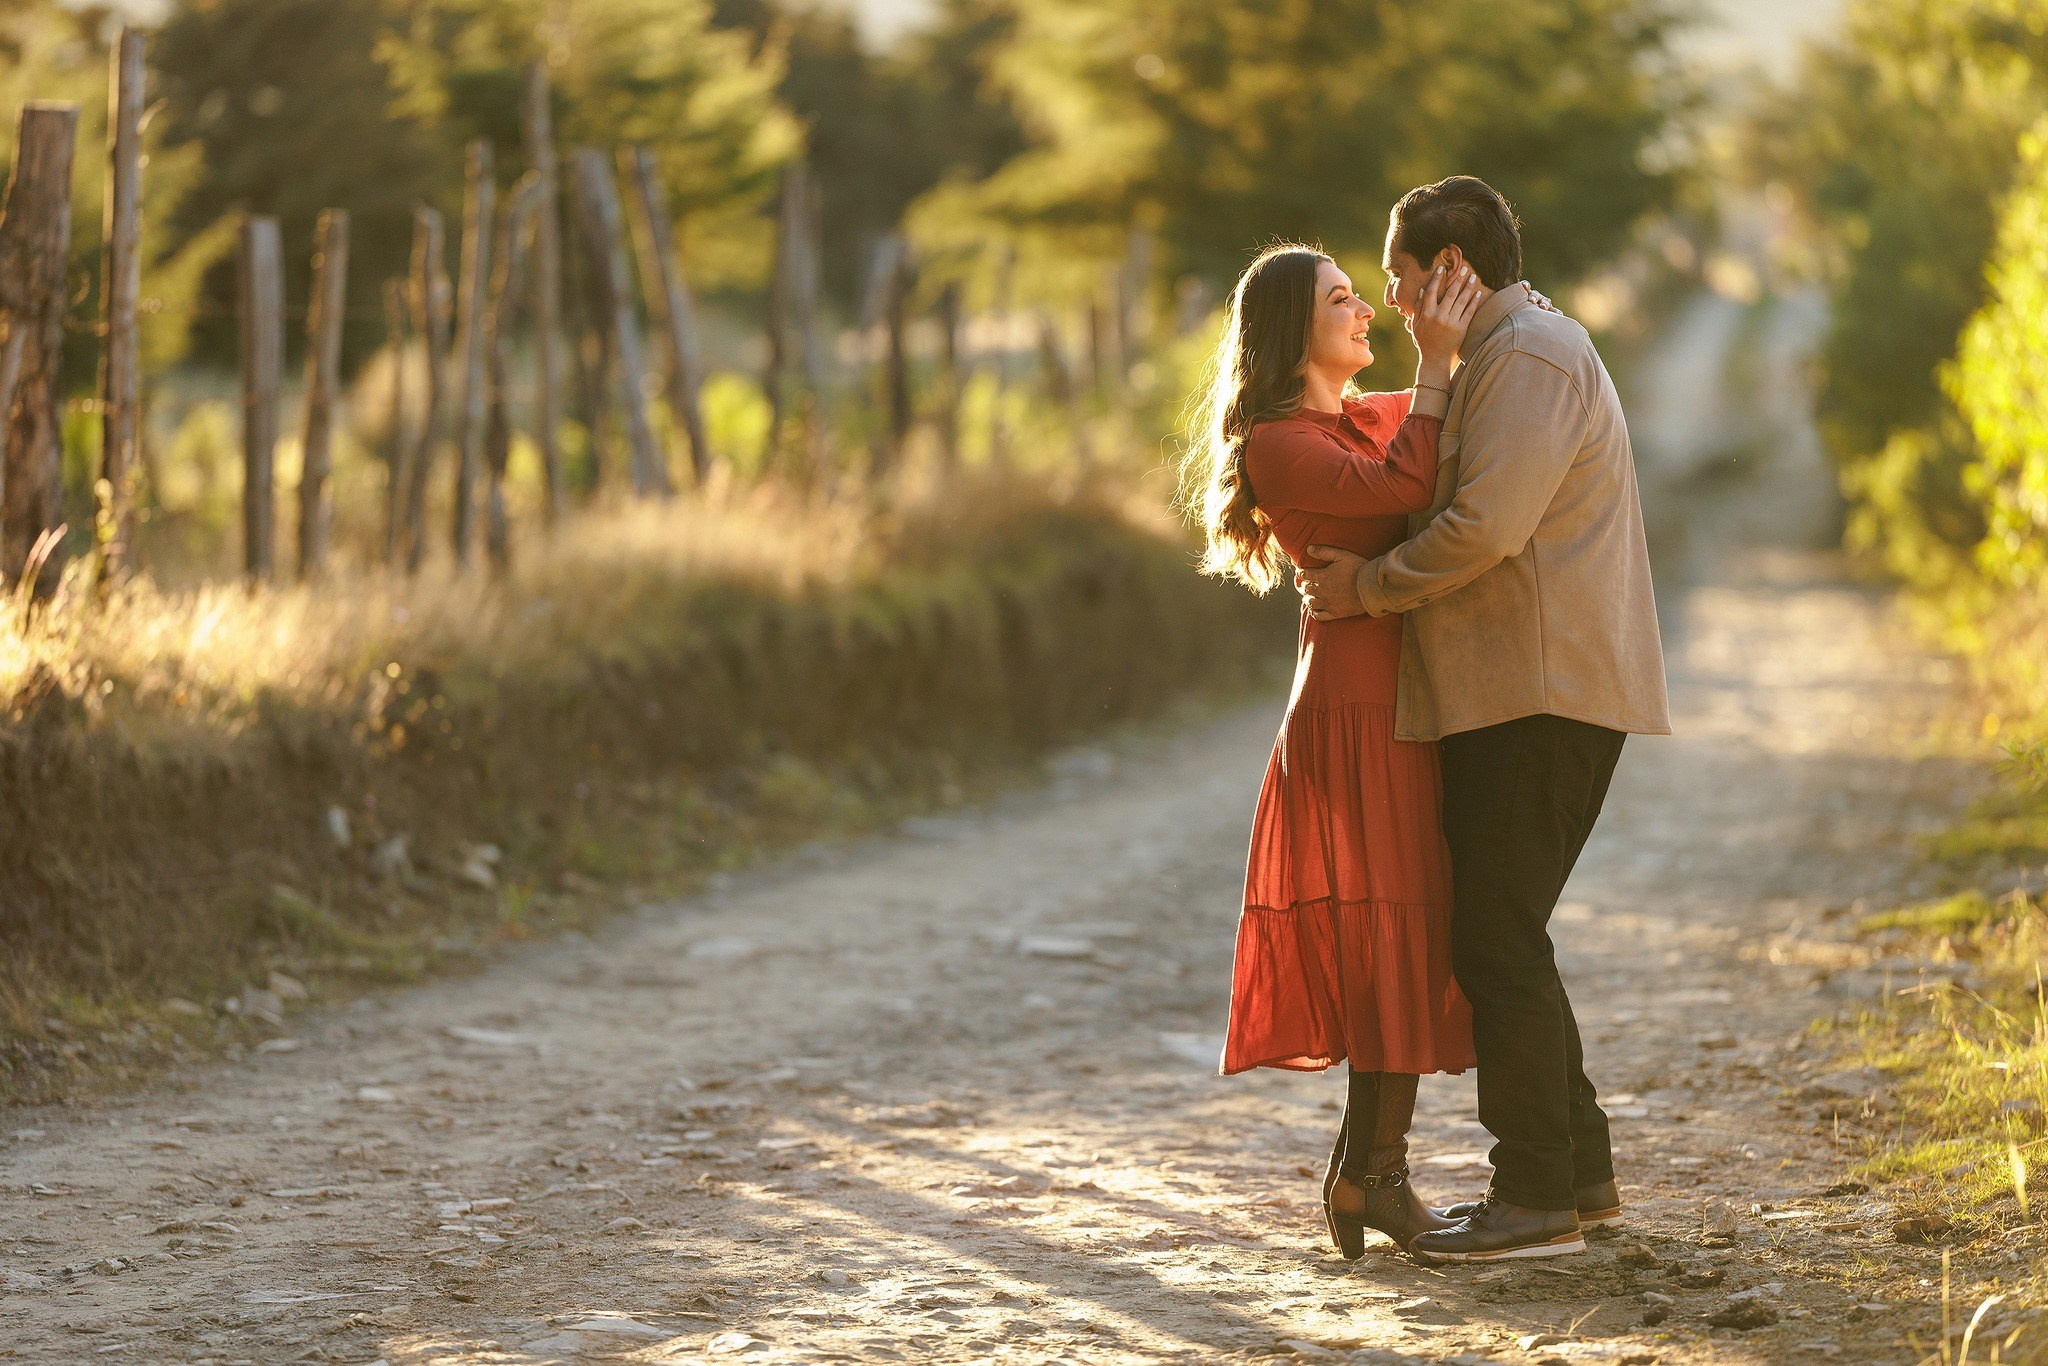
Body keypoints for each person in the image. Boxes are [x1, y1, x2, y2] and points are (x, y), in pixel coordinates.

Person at [1296, 176, 1671, 1263]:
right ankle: (1578, 1174)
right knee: (1504, 934)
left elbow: (1482, 527)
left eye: (1400, 278)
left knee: (1494, 940)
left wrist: (1365, 587)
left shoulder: (1530, 359)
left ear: (1451, 271)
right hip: (1516, 690)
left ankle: (1532, 1195)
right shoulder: (1502, 356)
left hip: (1538, 693)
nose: (1392, 298)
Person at [1184, 241, 1486, 1258]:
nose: (1364, 310)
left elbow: (1448, 436)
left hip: (1392, 698)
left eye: (1362, 295)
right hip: (1352, 714)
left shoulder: (1350, 416)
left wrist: (1458, 322)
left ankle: (1366, 1175)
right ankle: (1374, 1177)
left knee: (1399, 930)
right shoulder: (1278, 440)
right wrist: (1434, 362)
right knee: (1386, 929)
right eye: (1340, 299)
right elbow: (1410, 470)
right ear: (1289, 330)